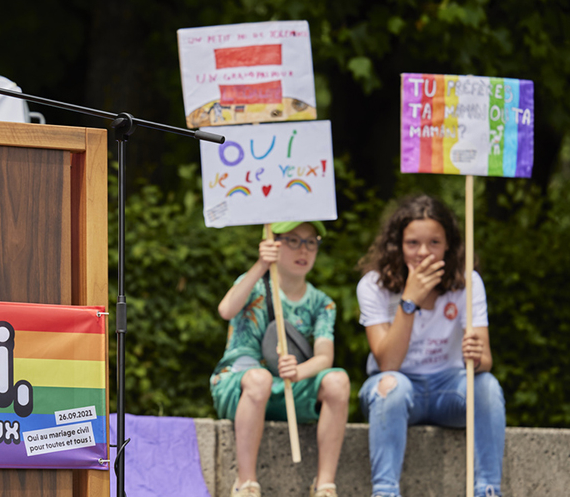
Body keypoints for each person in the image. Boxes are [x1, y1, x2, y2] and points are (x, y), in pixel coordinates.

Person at [356, 194, 506, 497]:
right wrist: (409, 301)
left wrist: (476, 356)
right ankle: (385, 492)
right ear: (398, 245)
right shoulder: (373, 285)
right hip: (395, 390)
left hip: (448, 390)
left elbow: (485, 362)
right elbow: (388, 364)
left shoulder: (468, 282)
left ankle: (488, 489)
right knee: (392, 385)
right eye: (413, 243)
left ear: (448, 244)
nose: (423, 252)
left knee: (488, 386)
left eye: (434, 242)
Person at [211, 221, 350, 497]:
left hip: (288, 388)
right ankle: (245, 483)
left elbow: (324, 357)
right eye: (293, 240)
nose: (304, 250)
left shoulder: (323, 303)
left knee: (338, 380)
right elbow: (226, 309)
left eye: (311, 242)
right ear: (273, 242)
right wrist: (261, 265)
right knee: (259, 378)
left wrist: (299, 371)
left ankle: (324, 485)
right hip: (240, 386)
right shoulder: (253, 283)